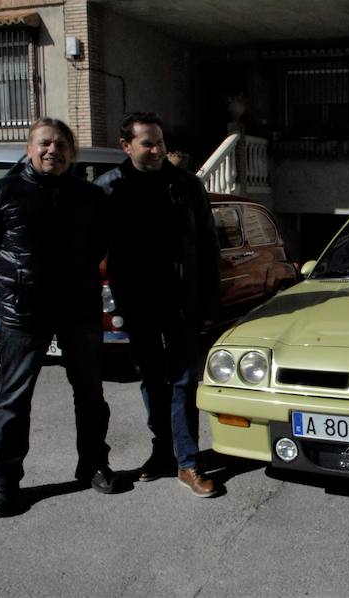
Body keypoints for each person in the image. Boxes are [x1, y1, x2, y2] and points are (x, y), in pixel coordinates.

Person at [0, 117, 121, 517]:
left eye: (62, 145)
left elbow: (100, 245)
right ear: (30, 148)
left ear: (73, 152)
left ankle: (93, 465)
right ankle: (4, 482)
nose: (54, 150)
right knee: (13, 400)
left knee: (90, 395)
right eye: (45, 144)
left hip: (79, 311)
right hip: (23, 314)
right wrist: (12, 282)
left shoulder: (89, 197)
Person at [95, 112, 221, 498]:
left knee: (183, 379)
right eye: (148, 143)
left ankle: (188, 461)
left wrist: (209, 298)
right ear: (126, 146)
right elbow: (89, 247)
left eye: (160, 142)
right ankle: (163, 452)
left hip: (181, 300)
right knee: (152, 380)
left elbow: (207, 245)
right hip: (137, 302)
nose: (157, 149)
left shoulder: (185, 185)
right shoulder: (108, 189)